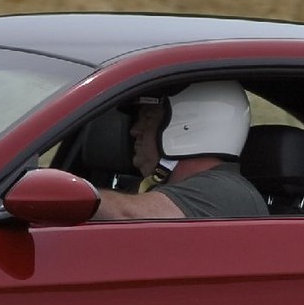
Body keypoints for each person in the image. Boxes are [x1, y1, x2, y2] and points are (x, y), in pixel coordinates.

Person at [92, 80, 268, 221]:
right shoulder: (154, 187)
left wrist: (71, 198)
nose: (134, 131)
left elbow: (126, 215)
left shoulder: (225, 191)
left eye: (148, 118)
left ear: (189, 125)